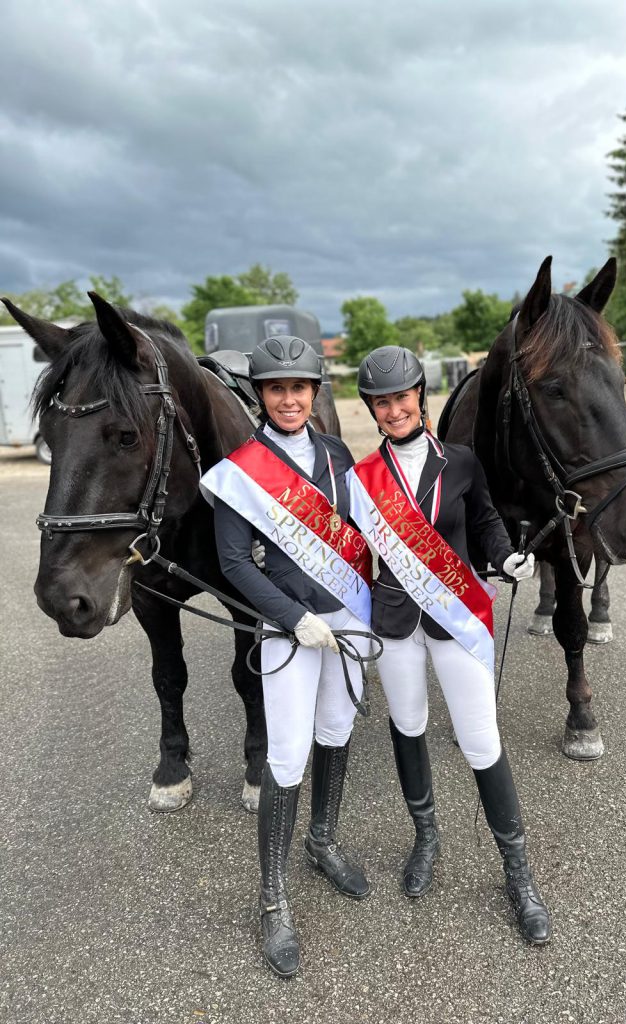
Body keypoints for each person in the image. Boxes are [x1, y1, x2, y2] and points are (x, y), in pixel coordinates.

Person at [347, 346, 552, 945]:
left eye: (401, 397)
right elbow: (352, 550)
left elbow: (486, 523)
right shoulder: (362, 480)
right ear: (372, 410)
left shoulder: (461, 462)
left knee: (480, 738)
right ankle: (425, 837)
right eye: (380, 403)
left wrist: (504, 556)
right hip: (395, 622)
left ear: (420, 398)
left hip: (454, 614)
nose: (393, 410)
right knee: (408, 726)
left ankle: (518, 874)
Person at [200, 335, 373, 978]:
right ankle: (273, 899)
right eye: (277, 388)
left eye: (300, 387)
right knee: (286, 753)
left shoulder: (335, 454)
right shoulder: (240, 468)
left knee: (337, 730)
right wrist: (293, 618)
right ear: (261, 395)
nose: (290, 399)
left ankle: (322, 843)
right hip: (291, 631)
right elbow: (233, 562)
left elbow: (360, 535)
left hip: (348, 621)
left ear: (315, 392)